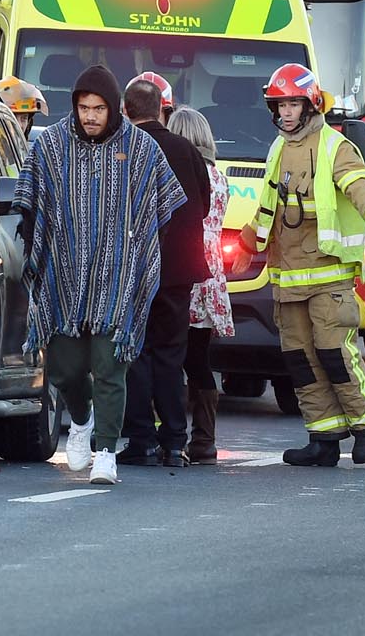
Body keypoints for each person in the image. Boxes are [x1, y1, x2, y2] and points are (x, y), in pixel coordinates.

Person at [14, 64, 186, 485]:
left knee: (111, 367)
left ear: (115, 109)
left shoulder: (142, 149)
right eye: (83, 107)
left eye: (99, 108)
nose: (90, 115)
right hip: (64, 276)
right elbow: (28, 200)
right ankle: (81, 418)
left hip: (117, 279)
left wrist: (136, 248)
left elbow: (164, 207)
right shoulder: (51, 145)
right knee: (65, 369)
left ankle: (106, 451)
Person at [239, 64, 365, 468]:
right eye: (280, 105)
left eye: (293, 103)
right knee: (299, 359)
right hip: (288, 278)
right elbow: (268, 207)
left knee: (334, 353)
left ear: (311, 104)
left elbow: (358, 185)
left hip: (328, 276)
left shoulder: (335, 146)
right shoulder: (279, 149)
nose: (286, 113)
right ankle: (323, 436)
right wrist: (248, 244)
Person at [119, 78, 212, 468]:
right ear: (162, 109)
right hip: (178, 270)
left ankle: (141, 439)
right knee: (172, 355)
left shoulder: (123, 149)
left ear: (125, 111)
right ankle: (175, 442)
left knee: (137, 353)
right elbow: (203, 205)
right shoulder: (185, 149)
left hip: (135, 268)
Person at [170, 105, 233, 464]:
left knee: (170, 355)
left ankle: (173, 432)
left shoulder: (183, 173)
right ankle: (205, 439)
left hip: (185, 265)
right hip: (211, 272)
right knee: (199, 359)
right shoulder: (219, 176)